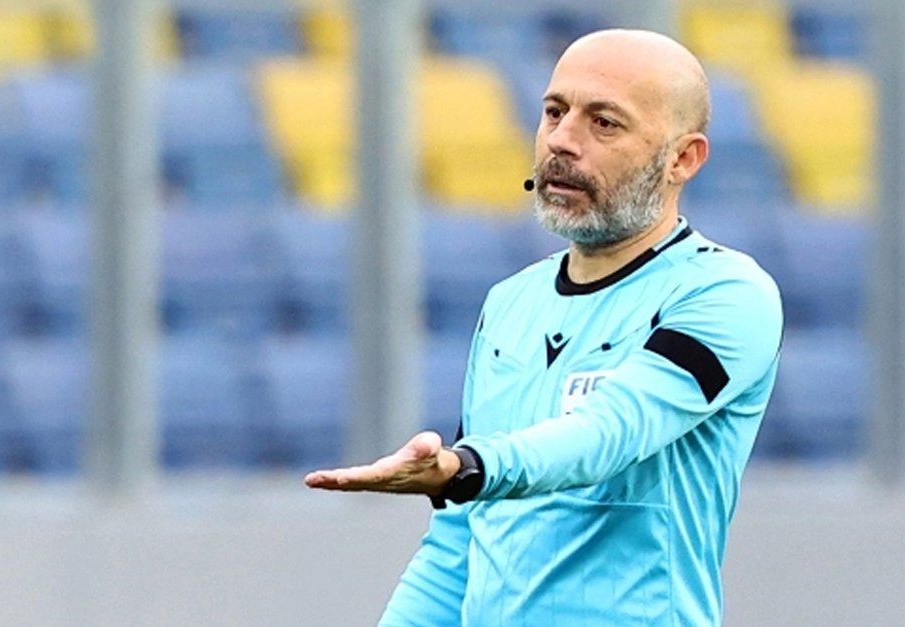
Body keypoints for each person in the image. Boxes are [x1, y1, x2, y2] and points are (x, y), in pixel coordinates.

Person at [305, 28, 782, 626]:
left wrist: (466, 467)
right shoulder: (511, 303)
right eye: (555, 112)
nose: (561, 140)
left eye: (603, 123)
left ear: (682, 158)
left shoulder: (725, 294)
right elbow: (458, 544)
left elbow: (606, 435)